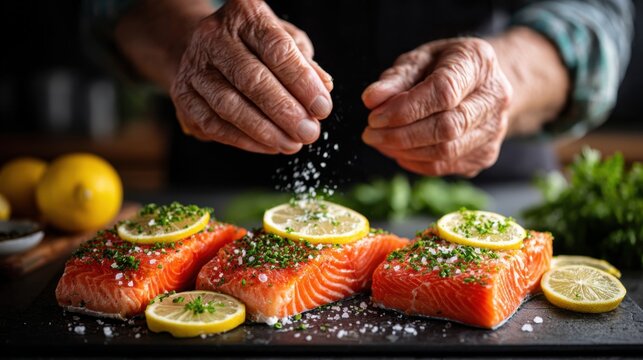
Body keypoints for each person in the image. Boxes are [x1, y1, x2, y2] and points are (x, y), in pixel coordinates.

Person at [86, 0, 633, 186]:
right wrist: (187, 40)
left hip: (489, 190)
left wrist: (505, 75)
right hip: (230, 186)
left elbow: (599, 16)